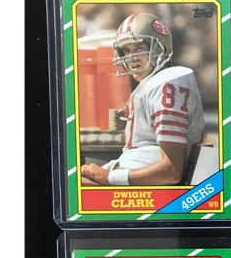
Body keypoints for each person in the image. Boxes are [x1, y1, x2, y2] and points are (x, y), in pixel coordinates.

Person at [81, 12, 205, 186]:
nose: (131, 57)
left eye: (139, 48)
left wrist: (108, 177)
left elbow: (172, 171)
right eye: (127, 50)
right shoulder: (151, 84)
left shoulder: (167, 83)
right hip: (135, 173)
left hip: (151, 189)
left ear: (160, 49)